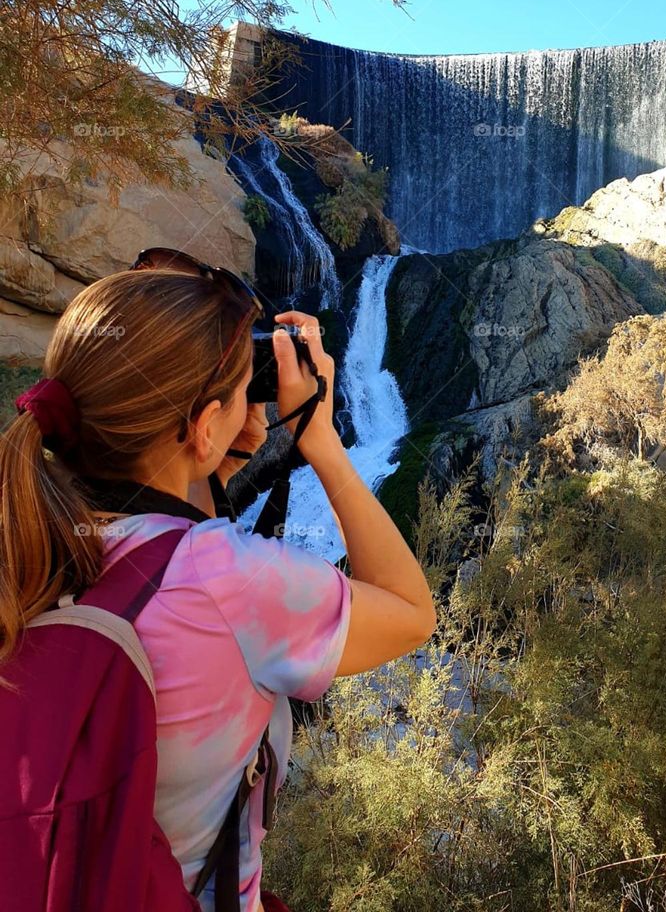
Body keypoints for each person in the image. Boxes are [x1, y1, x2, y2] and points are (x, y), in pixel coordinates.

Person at [0, 263, 437, 911]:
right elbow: (410, 612)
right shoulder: (228, 579)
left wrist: (213, 452)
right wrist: (318, 438)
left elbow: (158, 534)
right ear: (204, 427)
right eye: (239, 395)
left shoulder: (26, 531)